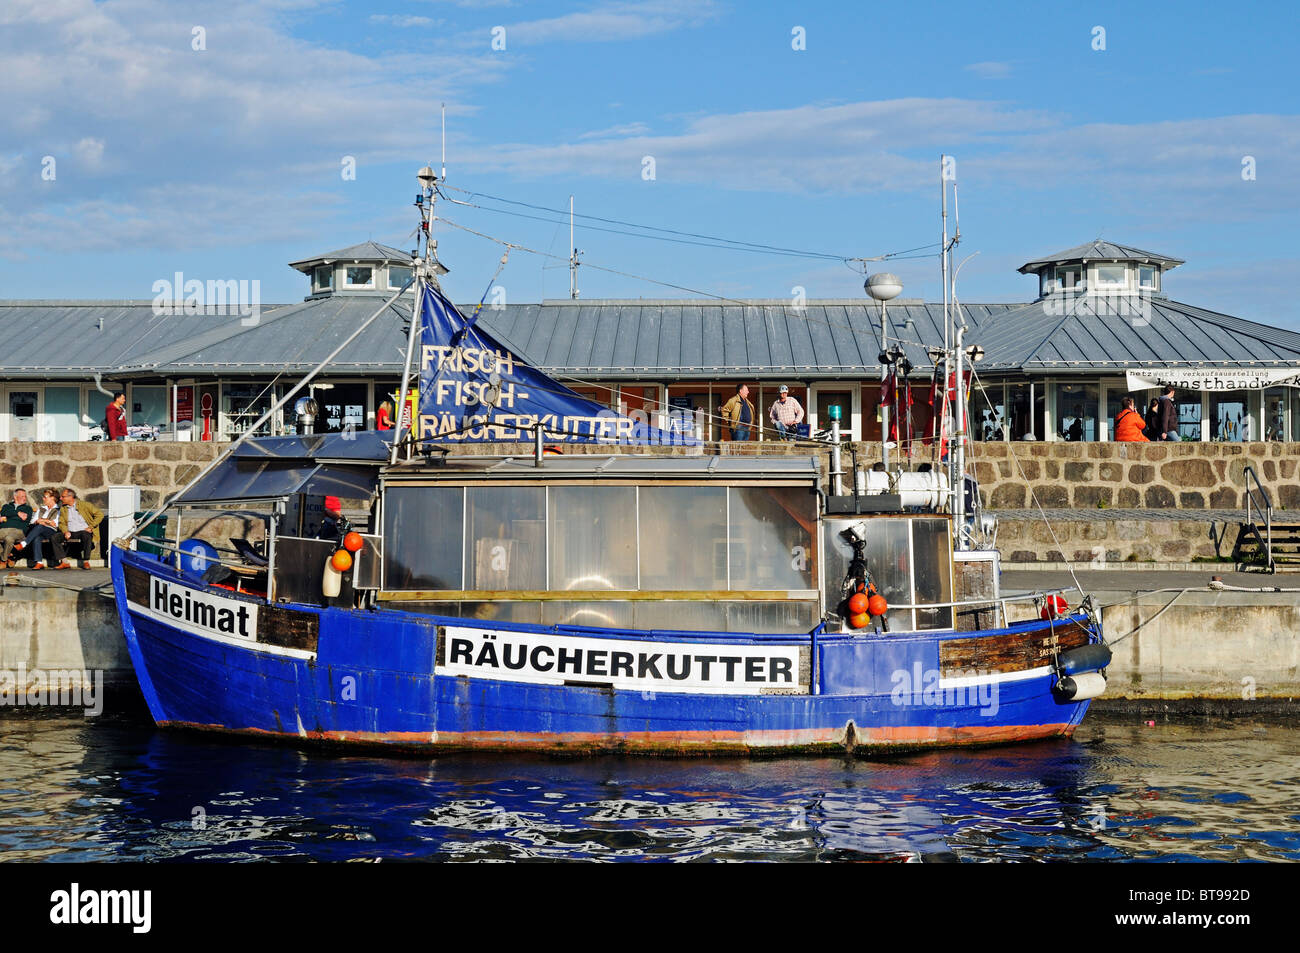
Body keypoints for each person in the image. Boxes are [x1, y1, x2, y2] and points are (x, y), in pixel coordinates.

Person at [13, 489, 67, 569]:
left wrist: (42, 520)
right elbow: (33, 521)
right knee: (37, 538)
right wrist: (43, 521)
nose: (43, 499)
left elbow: (54, 524)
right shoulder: (42, 508)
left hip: (52, 531)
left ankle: (24, 544)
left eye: (45, 497)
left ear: (52, 498)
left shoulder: (58, 510)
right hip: (39, 531)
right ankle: (39, 562)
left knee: (40, 526)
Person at [58, 487, 104, 569]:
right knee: (54, 538)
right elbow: (61, 522)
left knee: (86, 535)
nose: (61, 498)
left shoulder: (85, 505)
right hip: (70, 532)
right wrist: (65, 531)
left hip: (83, 530)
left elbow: (100, 514)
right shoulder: (63, 508)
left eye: (63, 496)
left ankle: (86, 561)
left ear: (70, 497)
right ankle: (64, 562)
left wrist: (91, 527)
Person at [0, 489, 35, 567]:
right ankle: (8, 556)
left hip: (19, 531)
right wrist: (18, 513)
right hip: (3, 529)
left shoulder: (28, 508)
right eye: (22, 496)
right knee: (7, 537)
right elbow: (4, 513)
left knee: (9, 538)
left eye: (25, 496)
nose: (25, 498)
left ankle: (3, 560)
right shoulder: (6, 506)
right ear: (15, 497)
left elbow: (25, 519)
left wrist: (9, 517)